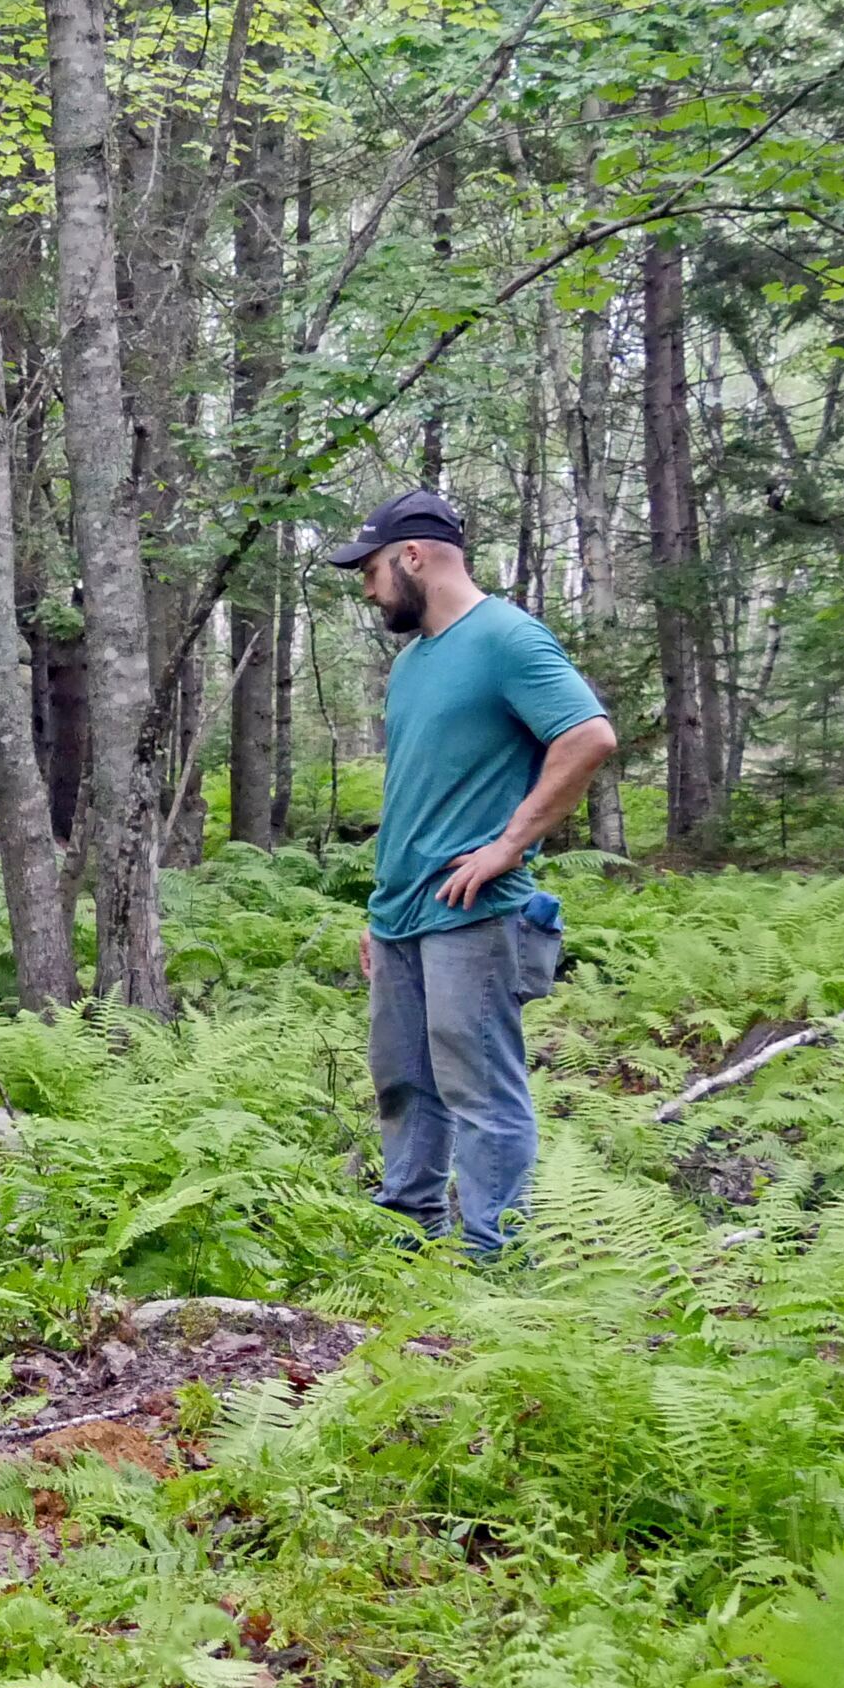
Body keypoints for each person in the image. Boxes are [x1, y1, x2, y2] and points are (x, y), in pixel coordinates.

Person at [328, 490, 617, 1256]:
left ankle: (494, 1257)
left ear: (414, 557)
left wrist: (509, 845)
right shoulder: (414, 662)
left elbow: (588, 735)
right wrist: (379, 905)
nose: (368, 588)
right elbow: (413, 791)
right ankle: (410, 1242)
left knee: (481, 1092)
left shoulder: (506, 638)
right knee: (404, 1083)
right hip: (402, 916)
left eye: (373, 570)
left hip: (476, 912)